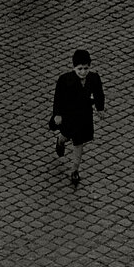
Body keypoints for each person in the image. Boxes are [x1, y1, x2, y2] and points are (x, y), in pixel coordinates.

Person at [50, 49, 105, 185]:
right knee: (67, 135)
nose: (83, 71)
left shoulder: (94, 78)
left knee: (79, 142)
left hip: (84, 116)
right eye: (79, 69)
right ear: (74, 67)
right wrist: (57, 114)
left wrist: (100, 108)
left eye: (86, 68)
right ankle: (60, 141)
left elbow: (99, 93)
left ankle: (75, 170)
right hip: (69, 115)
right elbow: (58, 97)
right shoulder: (65, 80)